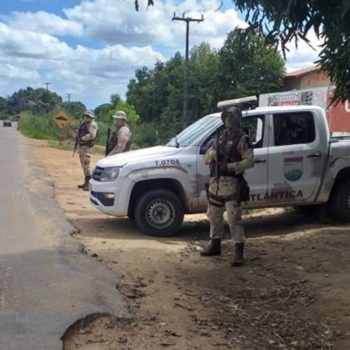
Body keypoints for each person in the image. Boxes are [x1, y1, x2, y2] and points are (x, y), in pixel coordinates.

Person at [200, 107, 254, 266]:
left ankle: (239, 252)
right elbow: (206, 158)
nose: (229, 119)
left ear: (237, 119)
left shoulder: (242, 139)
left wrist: (229, 166)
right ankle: (215, 245)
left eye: (232, 116)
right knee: (214, 216)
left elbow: (249, 161)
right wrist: (213, 156)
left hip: (232, 183)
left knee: (233, 219)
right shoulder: (219, 138)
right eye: (227, 116)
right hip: (215, 183)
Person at [76, 111, 98, 191]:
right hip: (82, 146)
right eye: (85, 116)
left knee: (86, 164)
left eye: (88, 116)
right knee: (83, 165)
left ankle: (88, 184)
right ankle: (86, 182)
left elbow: (92, 135)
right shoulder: (85, 124)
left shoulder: (93, 124)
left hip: (87, 147)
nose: (86, 117)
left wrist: (82, 138)